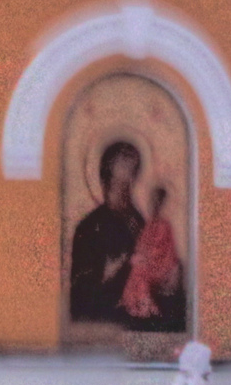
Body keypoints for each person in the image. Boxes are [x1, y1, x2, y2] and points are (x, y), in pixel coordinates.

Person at [68, 139, 148, 325]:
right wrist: (107, 273)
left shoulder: (137, 221)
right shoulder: (89, 227)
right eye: (118, 184)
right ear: (106, 182)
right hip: (104, 317)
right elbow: (79, 292)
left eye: (128, 183)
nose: (124, 191)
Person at [118, 180, 183, 328]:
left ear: (161, 203)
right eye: (152, 201)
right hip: (148, 264)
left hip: (161, 266)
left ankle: (145, 308)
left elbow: (163, 251)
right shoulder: (149, 224)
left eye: (157, 201)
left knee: (139, 270)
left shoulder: (165, 225)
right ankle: (136, 305)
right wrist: (138, 256)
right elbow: (141, 245)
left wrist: (145, 257)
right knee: (137, 269)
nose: (154, 204)